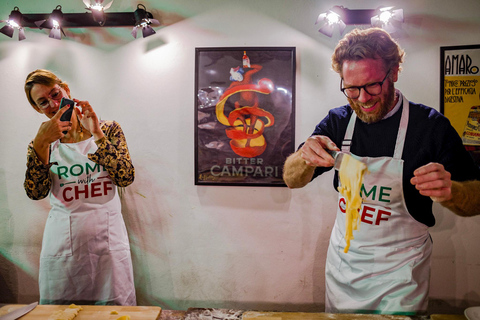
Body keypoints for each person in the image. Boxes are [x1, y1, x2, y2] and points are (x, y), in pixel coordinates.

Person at [283, 28, 480, 315]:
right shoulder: (338, 122)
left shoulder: (429, 127)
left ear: (395, 72)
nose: (362, 98)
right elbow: (291, 179)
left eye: (373, 85)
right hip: (344, 272)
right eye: (351, 88)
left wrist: (452, 192)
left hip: (401, 278)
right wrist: (305, 157)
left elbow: (475, 200)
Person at [24, 69, 136, 305]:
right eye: (43, 102)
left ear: (66, 89)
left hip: (108, 242)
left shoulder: (108, 129)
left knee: (114, 308)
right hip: (63, 243)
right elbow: (35, 192)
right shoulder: (42, 142)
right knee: (60, 311)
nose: (54, 104)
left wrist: (97, 134)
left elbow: (125, 177)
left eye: (55, 94)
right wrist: (42, 143)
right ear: (37, 109)